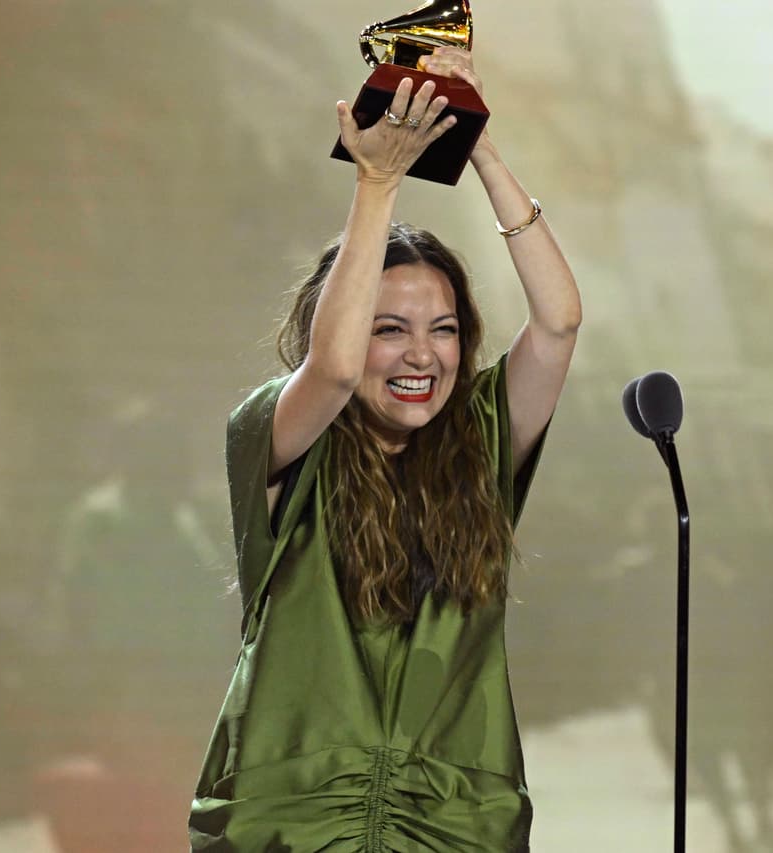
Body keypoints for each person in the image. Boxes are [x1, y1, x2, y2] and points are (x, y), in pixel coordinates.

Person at [189, 48, 581, 851]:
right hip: (300, 827)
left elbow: (559, 322)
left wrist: (480, 148)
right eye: (389, 329)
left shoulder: (479, 444)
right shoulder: (278, 438)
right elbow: (331, 372)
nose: (421, 355)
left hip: (451, 826)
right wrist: (377, 184)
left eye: (442, 330)